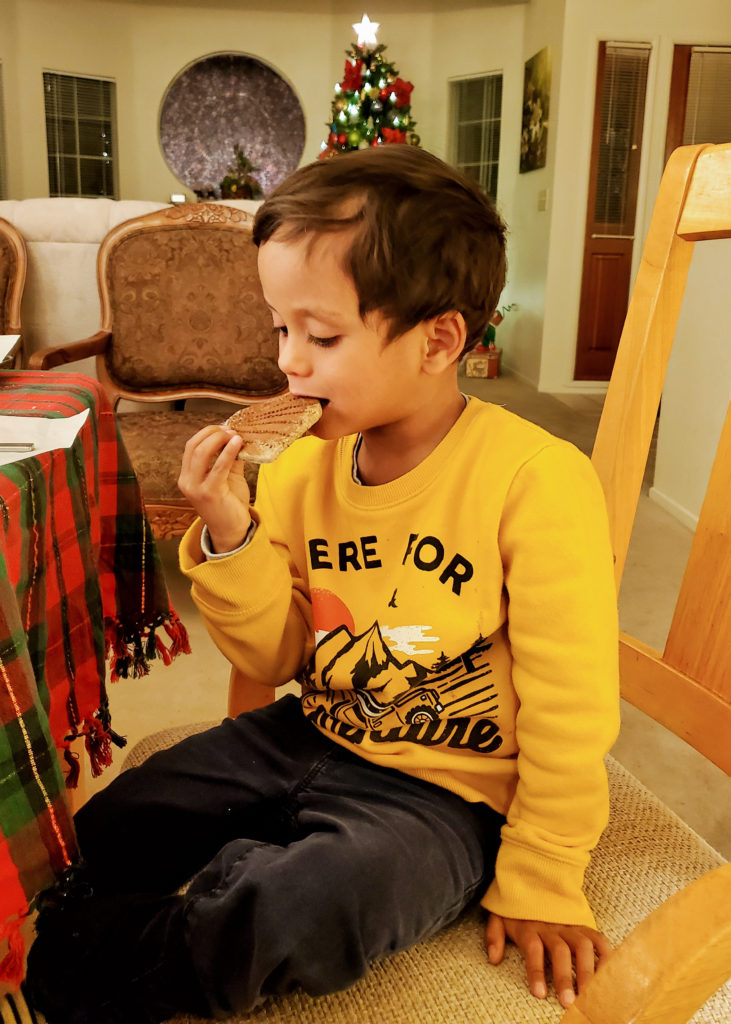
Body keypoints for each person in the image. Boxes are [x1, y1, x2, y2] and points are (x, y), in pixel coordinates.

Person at [26, 146, 620, 1024]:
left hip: (449, 791)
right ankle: (154, 914)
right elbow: (281, 652)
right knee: (121, 819)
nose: (289, 364)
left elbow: (572, 708)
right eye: (278, 329)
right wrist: (231, 532)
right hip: (311, 728)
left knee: (312, 904)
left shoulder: (536, 479)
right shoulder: (301, 469)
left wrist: (543, 874)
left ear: (438, 339)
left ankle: (111, 964)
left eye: (323, 335)